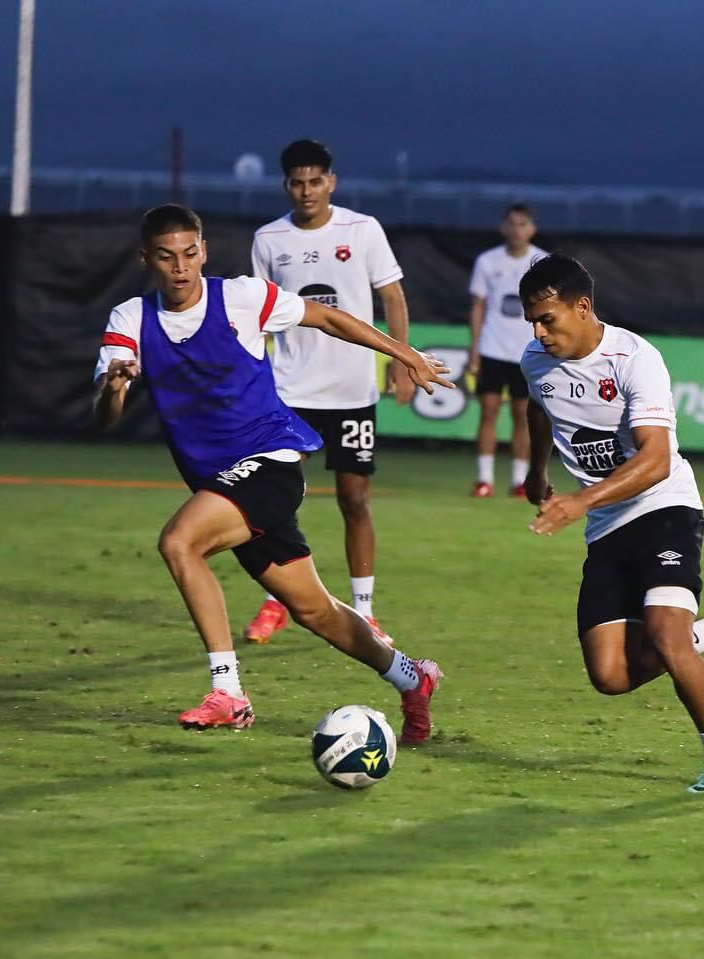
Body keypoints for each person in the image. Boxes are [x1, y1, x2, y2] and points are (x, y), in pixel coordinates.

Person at [92, 204, 447, 742]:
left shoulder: (241, 297)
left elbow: (327, 317)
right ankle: (412, 677)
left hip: (270, 461)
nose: (180, 267)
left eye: (190, 253)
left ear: (204, 252)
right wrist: (114, 388)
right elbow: (106, 417)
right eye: (166, 257)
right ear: (146, 259)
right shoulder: (130, 320)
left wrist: (404, 354)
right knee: (315, 611)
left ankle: (228, 694)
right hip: (223, 484)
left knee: (179, 543)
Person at [517, 253, 704, 793]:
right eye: (532, 322)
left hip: (665, 509)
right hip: (605, 526)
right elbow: (538, 408)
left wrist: (579, 501)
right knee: (610, 676)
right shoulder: (535, 360)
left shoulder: (635, 359)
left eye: (547, 319)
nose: (539, 333)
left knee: (666, 636)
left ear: (582, 307)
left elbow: (657, 459)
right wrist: (535, 470)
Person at [242, 139, 413, 644]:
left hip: (352, 389)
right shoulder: (268, 239)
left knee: (354, 500)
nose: (307, 191)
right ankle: (278, 601)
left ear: (331, 182)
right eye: (297, 182)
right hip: (291, 390)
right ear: (286, 186)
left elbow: (392, 296)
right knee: (276, 501)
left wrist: (401, 359)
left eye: (316, 181)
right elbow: (257, 314)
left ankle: (365, 611)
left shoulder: (363, 230)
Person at [468, 203, 546, 497]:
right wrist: (475, 350)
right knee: (488, 412)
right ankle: (484, 479)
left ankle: (519, 481)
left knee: (523, 416)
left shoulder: (542, 262)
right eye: (512, 223)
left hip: (527, 352)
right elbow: (478, 306)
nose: (516, 230)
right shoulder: (487, 261)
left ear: (532, 229)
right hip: (492, 348)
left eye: (523, 224)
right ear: (503, 227)